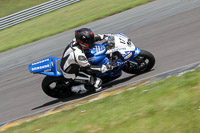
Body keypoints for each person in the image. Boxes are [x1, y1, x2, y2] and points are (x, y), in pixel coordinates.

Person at [60, 28, 113, 94]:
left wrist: (105, 36)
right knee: (97, 83)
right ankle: (76, 89)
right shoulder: (79, 55)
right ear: (83, 43)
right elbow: (89, 68)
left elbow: (91, 38)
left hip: (72, 63)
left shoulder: (76, 40)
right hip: (72, 73)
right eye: (89, 41)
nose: (92, 42)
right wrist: (103, 68)